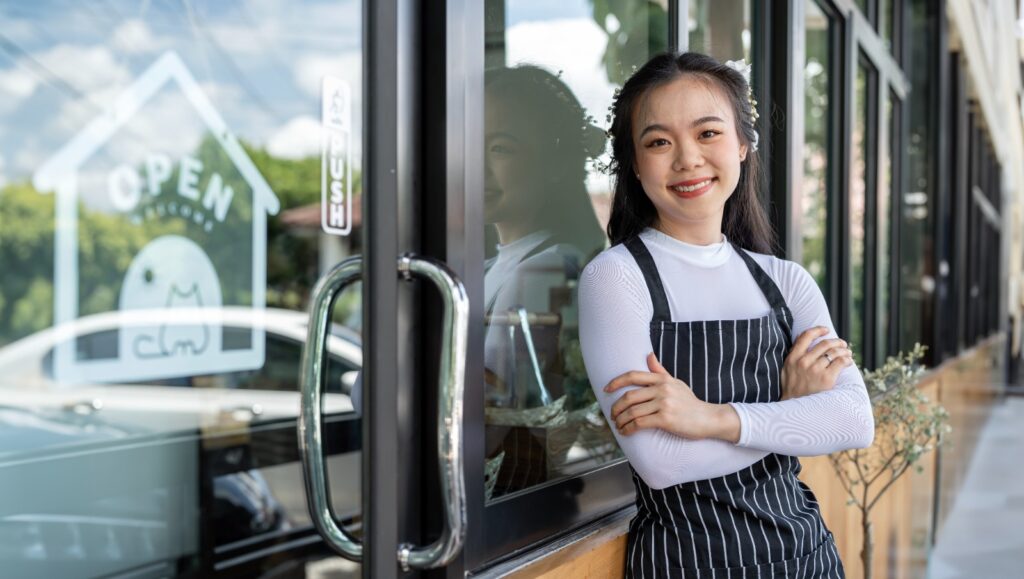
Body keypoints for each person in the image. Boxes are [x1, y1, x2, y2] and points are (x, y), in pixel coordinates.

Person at [578, 52, 874, 577]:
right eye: (659, 142)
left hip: (807, 554)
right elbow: (664, 463)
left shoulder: (785, 281)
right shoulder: (617, 278)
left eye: (708, 133)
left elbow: (853, 421)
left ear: (742, 145)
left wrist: (711, 417)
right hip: (689, 562)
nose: (687, 158)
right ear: (636, 164)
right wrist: (791, 410)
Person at [482, 65, 608, 496]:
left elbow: (488, 429)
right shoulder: (490, 268)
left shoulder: (545, 271)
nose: (476, 167)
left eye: (500, 148)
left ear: (555, 166)